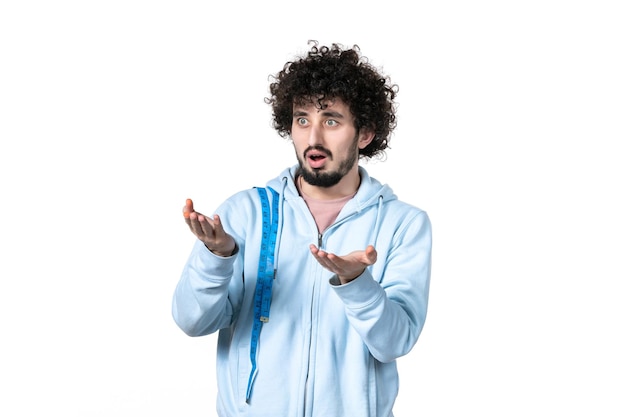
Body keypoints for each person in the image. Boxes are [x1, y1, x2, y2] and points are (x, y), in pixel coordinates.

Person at [172, 41, 432, 417]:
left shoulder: (403, 225)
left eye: (331, 120)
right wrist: (218, 258)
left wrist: (358, 284)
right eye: (302, 119)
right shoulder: (246, 213)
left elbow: (394, 342)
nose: (313, 138)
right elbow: (191, 322)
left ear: (365, 134)